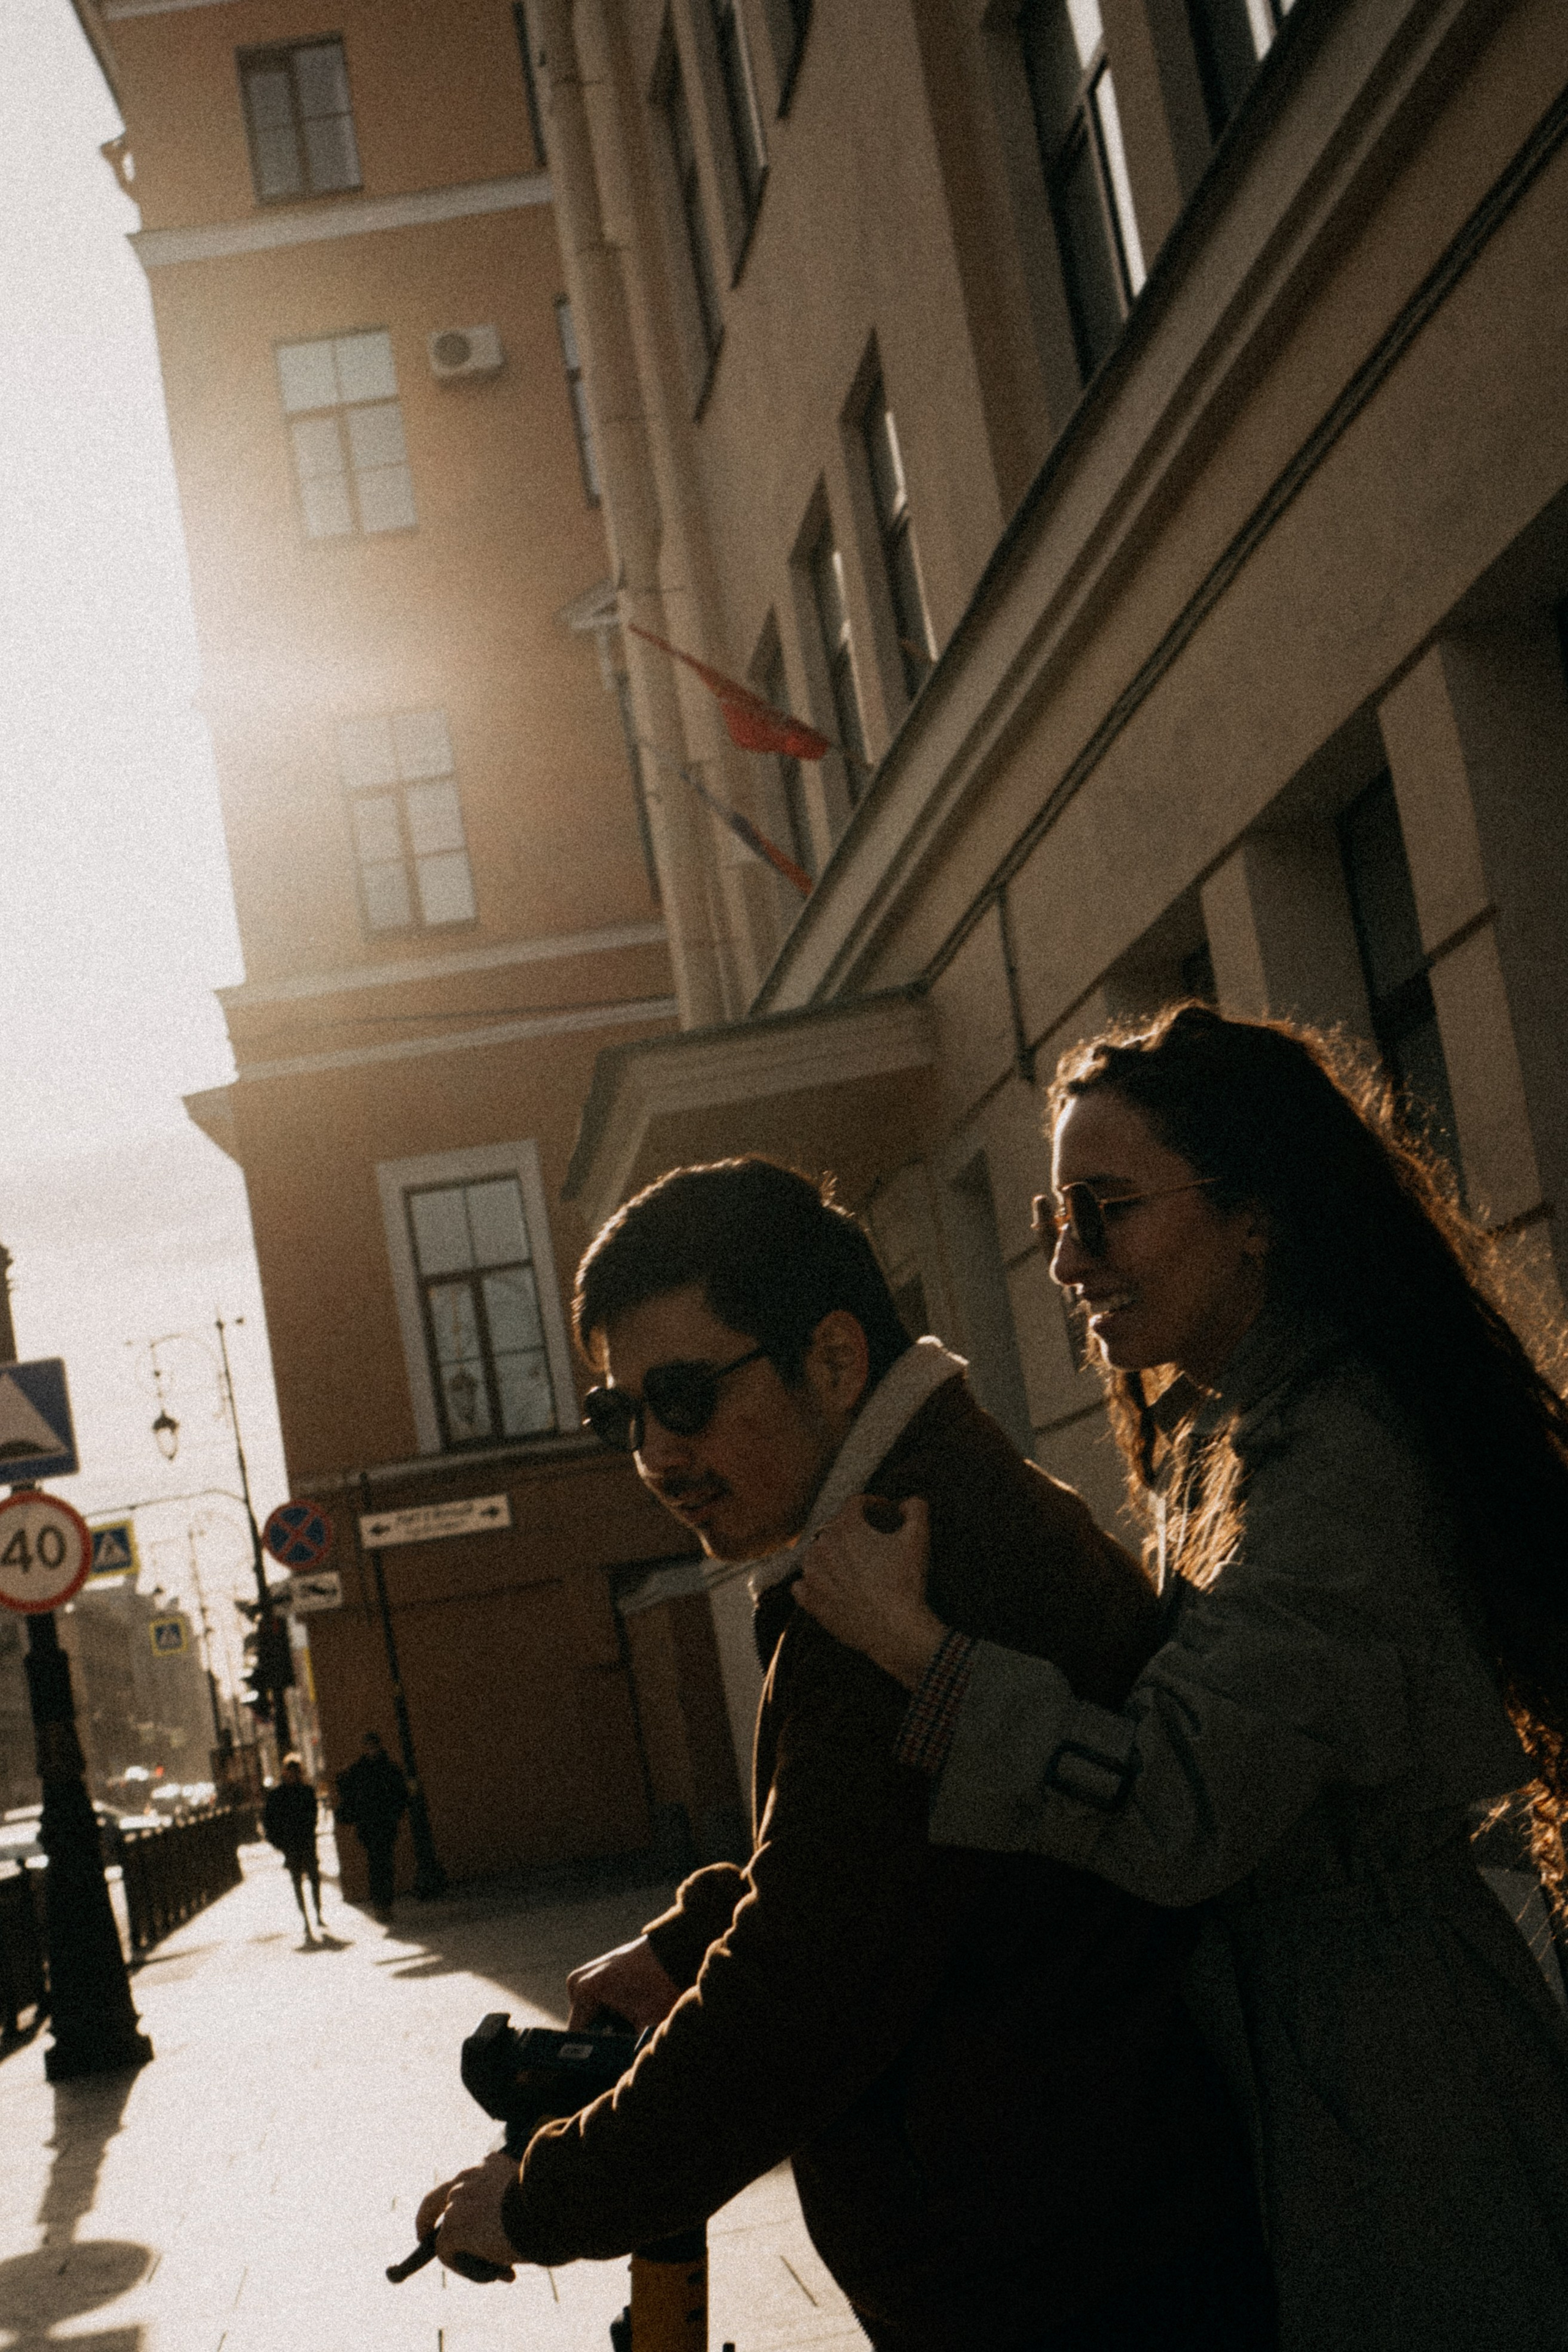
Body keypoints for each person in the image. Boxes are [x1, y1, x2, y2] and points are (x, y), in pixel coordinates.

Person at [797, 1005, 1568, 2352]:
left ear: (1254, 1214)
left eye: (1104, 1210)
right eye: (1051, 1221)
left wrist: (916, 1651)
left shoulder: (1336, 1460)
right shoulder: (1228, 1437)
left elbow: (1173, 1807)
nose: (1069, 1259)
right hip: (1312, 2062)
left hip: (1405, 2084)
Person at [415, 1157, 1273, 2351]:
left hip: (1063, 2285)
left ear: (830, 1359)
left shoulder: (896, 1561)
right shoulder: (923, 1503)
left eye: (682, 1395)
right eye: (621, 1416)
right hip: (1092, 2244)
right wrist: (682, 1943)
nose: (656, 1453)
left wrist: (543, 2199)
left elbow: (796, 1997)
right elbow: (888, 1852)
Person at [334, 1730, 407, 1923]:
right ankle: (382, 1904)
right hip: (375, 1824)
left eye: (372, 1746)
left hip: (378, 1823)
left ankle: (383, 1904)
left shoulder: (368, 1769)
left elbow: (400, 1794)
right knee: (379, 1864)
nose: (371, 1750)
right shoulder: (380, 1769)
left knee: (382, 1864)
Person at [262, 1752, 324, 1937]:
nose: (293, 1776)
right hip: (292, 1844)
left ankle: (317, 1912)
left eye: (296, 1772)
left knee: (313, 1878)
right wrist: (279, 1843)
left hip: (303, 1841)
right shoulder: (280, 1795)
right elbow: (269, 1823)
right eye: (291, 1772)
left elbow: (313, 1817)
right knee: (299, 1881)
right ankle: (307, 1917)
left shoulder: (304, 1792)